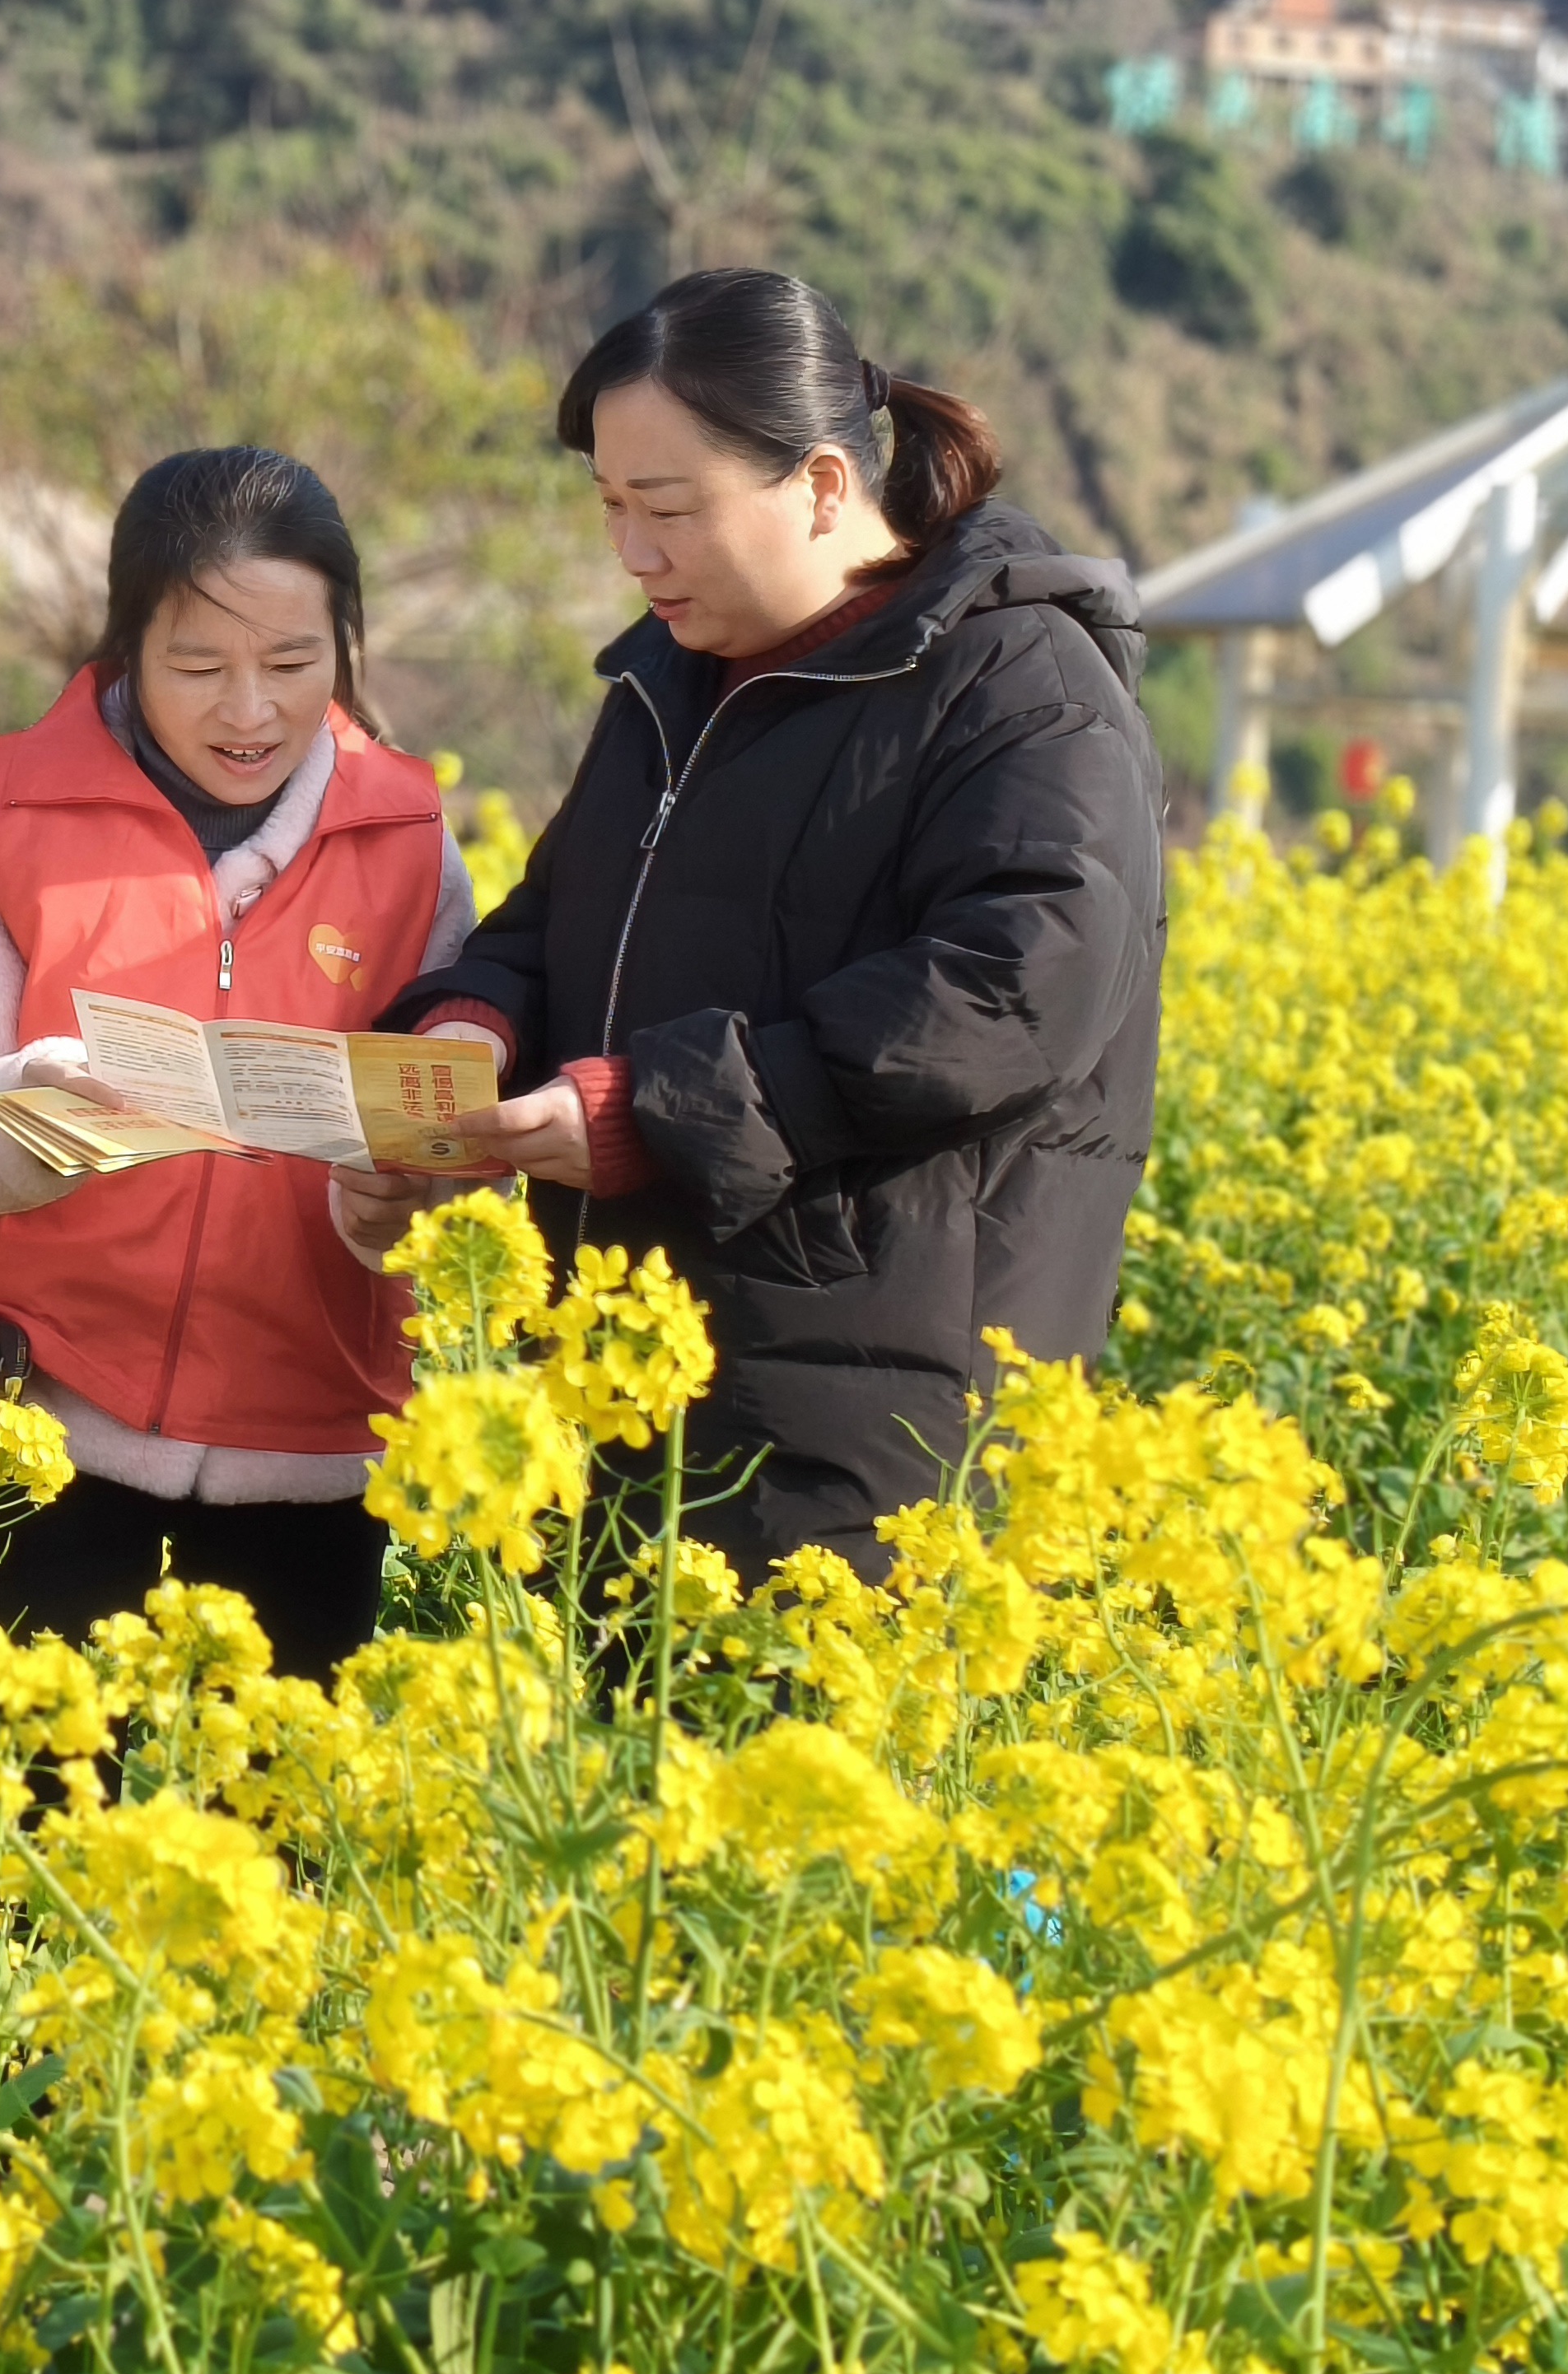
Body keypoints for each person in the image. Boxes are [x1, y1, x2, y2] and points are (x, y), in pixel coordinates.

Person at [373, 268, 1164, 1585]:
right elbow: (559, 919)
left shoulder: (1018, 683)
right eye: (612, 509)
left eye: (669, 509)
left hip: (877, 1447)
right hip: (628, 1398)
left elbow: (1016, 987)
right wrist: (472, 1036)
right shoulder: (670, 686)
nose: (633, 553)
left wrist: (647, 1114)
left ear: (820, 487)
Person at [0, 446, 476, 1677]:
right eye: (199, 667)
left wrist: (403, 1195)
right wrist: (34, 1109)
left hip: (312, 1463)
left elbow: (450, 1151)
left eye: (295, 664)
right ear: (127, 644)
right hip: (43, 1441)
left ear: (345, 648)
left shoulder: (410, 840)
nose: (250, 712)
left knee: (268, 1852)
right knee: (35, 1848)